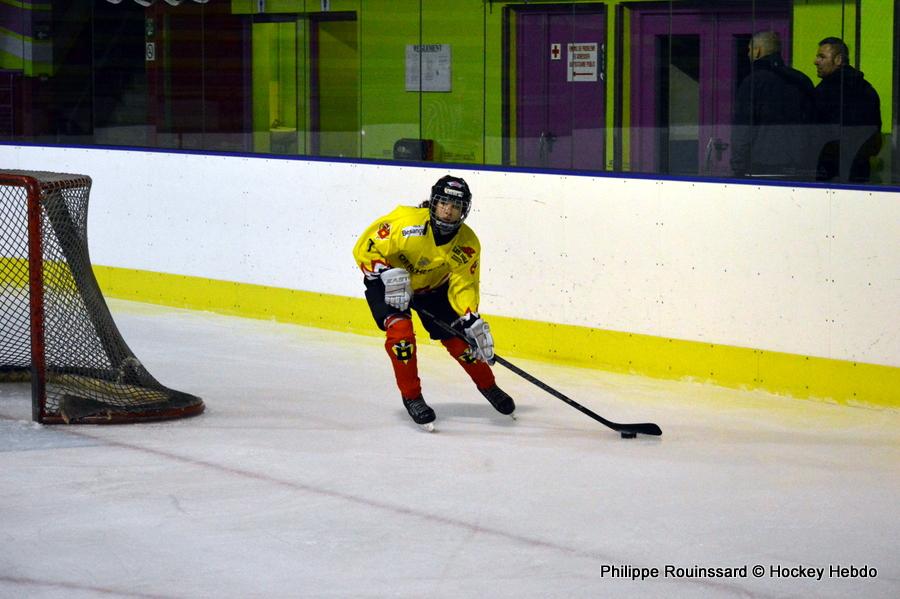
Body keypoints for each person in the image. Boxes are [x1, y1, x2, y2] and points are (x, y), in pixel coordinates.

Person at [352, 175, 515, 430]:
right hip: (390, 282)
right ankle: (412, 396)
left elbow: (464, 285)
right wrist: (384, 272)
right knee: (401, 334)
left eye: (456, 206)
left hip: (433, 289)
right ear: (434, 203)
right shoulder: (406, 223)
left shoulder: (468, 243)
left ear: (464, 210)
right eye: (443, 203)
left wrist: (471, 317)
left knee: (463, 341)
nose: (448, 211)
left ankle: (489, 386)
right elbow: (366, 247)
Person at [730, 31, 815, 178]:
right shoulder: (802, 80)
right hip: (801, 166)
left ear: (758, 51)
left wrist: (738, 166)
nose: (748, 54)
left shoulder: (753, 82)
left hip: (761, 168)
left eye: (750, 49)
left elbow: (743, 128)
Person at [813, 37, 882, 183]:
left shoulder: (824, 91)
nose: (816, 61)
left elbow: (814, 134)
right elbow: (874, 136)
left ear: (838, 60)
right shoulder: (867, 89)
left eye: (822, 57)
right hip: (860, 170)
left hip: (829, 171)